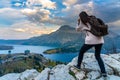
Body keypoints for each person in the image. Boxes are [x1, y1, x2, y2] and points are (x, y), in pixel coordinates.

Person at [75, 11, 107, 78]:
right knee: (98, 56)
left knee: (81, 52)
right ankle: (104, 72)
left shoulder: (83, 22)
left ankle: (78, 66)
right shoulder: (94, 19)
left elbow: (77, 29)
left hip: (91, 41)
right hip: (100, 40)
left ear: (81, 17)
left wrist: (78, 21)